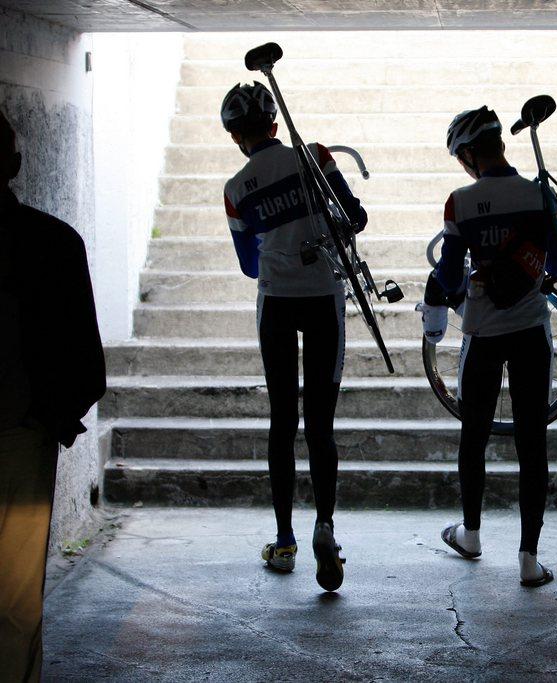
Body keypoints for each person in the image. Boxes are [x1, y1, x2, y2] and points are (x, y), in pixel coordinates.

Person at [220, 82, 367, 592]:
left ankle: (284, 541)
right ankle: (324, 527)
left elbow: (247, 264)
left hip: (276, 304)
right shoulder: (314, 156)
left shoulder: (236, 189)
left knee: (282, 421)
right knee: (319, 424)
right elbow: (356, 217)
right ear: (275, 125)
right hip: (323, 298)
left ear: (236, 136)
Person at [427, 106, 557, 587]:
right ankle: (528, 559)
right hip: (529, 331)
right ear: (501, 143)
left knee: (474, 435)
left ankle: (472, 535)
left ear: (466, 154)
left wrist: (453, 284)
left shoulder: (459, 202)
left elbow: (446, 274)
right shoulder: (538, 195)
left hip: (482, 335)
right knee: (532, 441)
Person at [0, 110, 106, 681]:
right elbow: (87, 364)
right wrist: (52, 418)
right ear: (17, 164)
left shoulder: (52, 243)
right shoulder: (52, 242)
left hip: (25, 429)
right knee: (16, 603)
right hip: (22, 435)